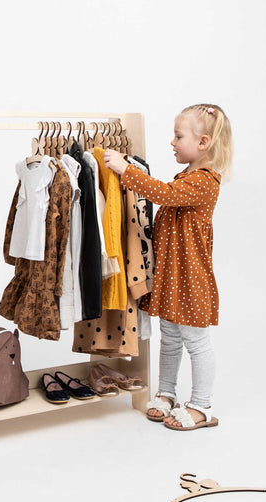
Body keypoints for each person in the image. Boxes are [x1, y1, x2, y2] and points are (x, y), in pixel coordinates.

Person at [103, 104, 233, 431]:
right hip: (172, 276)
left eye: (178, 136)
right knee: (171, 338)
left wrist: (124, 170)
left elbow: (165, 194)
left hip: (191, 279)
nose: (172, 142)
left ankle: (201, 406)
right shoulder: (186, 175)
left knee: (195, 341)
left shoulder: (204, 181)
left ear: (203, 142)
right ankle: (167, 393)